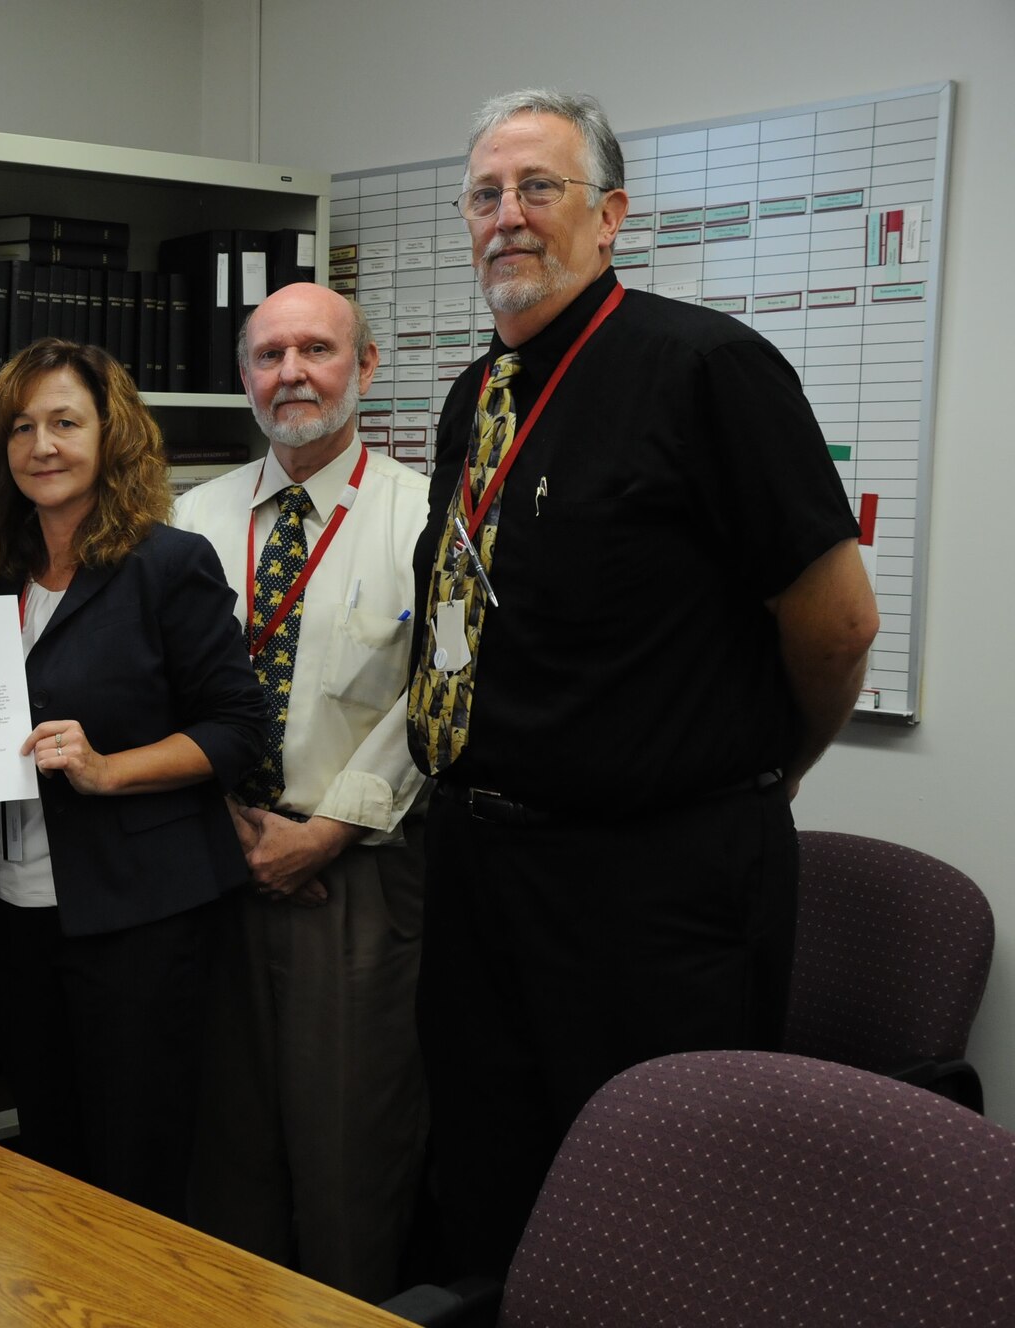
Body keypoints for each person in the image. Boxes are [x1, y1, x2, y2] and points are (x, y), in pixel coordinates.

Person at [405, 89, 881, 1278]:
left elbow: (834, 627)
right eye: (483, 194)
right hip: (479, 870)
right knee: (488, 1199)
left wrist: (761, 776)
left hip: (646, 887)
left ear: (609, 216)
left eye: (538, 189)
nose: (505, 216)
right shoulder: (477, 394)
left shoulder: (707, 368)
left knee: (656, 1229)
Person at [171, 284, 430, 1298]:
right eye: (267, 355)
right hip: (214, 864)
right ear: (243, 377)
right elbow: (165, 685)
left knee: (346, 1152)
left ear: (362, 368)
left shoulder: (424, 514)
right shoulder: (190, 516)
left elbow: (439, 691)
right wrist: (226, 823)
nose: (290, 374)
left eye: (315, 350)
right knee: (222, 1148)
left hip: (353, 877)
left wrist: (325, 827)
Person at [0, 338, 267, 1220]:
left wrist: (107, 770)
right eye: (21, 427)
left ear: (111, 436)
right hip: (14, 911)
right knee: (48, 1160)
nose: (43, 446)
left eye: (66, 422)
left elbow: (237, 730)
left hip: (139, 917)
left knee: (134, 1167)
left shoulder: (166, 564)